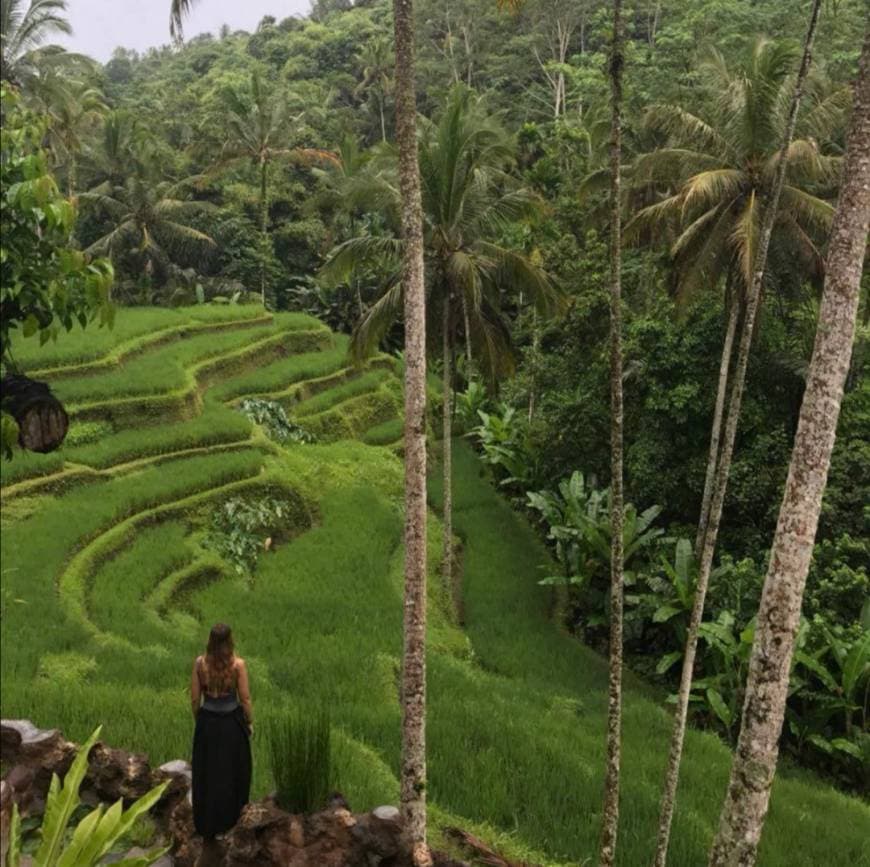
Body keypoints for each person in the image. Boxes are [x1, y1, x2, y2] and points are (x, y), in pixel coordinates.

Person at [190, 623, 253, 840]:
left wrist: (201, 719)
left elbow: (195, 699)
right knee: (234, 772)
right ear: (230, 640)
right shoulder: (238, 665)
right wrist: (249, 722)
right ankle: (233, 821)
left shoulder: (200, 664)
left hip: (208, 721)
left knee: (207, 772)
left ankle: (208, 824)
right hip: (231, 723)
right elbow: (244, 698)